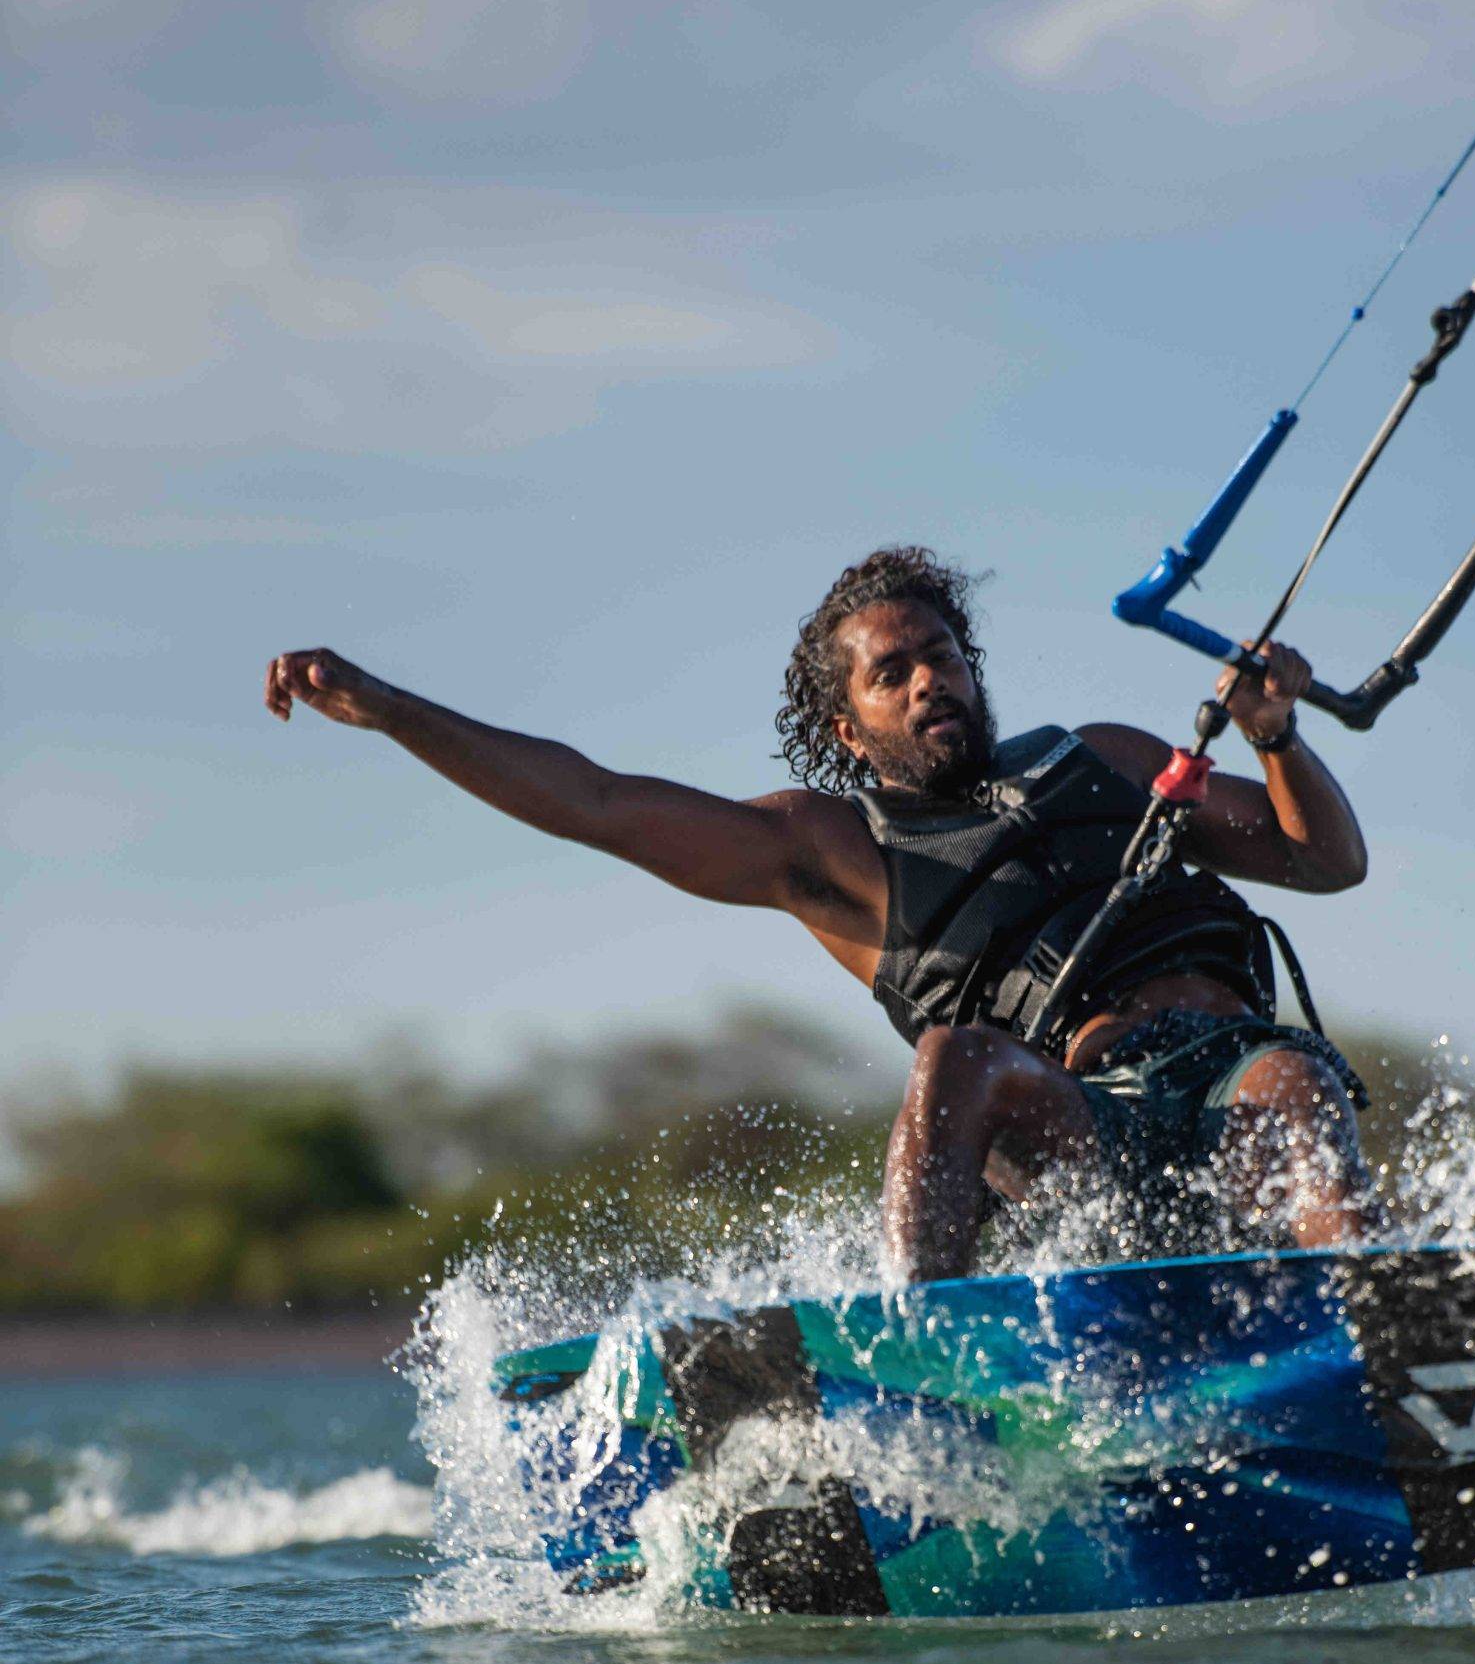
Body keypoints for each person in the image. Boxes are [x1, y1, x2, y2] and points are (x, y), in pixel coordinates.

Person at [266, 544, 1378, 1281]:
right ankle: (926, 1363)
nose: (924, 682)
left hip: (1234, 1076)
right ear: (849, 729)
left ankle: (1392, 1338)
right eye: (888, 675)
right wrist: (390, 710)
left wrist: (1275, 734)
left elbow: (1322, 860)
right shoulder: (832, 854)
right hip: (1088, 1125)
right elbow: (593, 803)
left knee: (1291, 1081)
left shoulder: (1111, 758)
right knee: (957, 1058)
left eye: (939, 658)